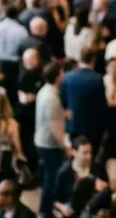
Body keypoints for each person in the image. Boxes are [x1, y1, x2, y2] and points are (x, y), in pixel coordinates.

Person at [33, 62, 69, 218]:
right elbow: (55, 127)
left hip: (41, 141)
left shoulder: (44, 91)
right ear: (57, 76)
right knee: (51, 179)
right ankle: (45, 210)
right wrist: (65, 146)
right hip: (50, 144)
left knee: (49, 177)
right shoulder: (52, 99)